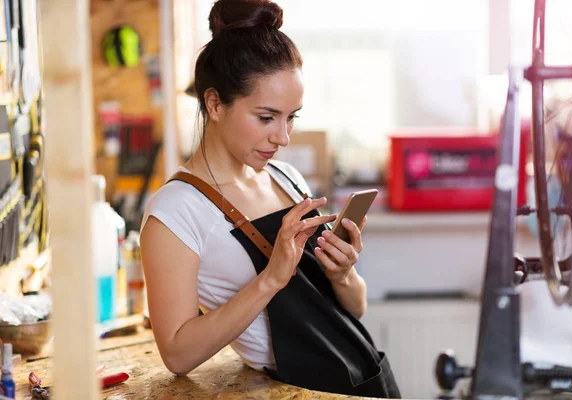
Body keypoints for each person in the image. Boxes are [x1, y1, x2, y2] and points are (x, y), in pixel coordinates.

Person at [139, 0, 401, 397]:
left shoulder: (286, 178)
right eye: (266, 117)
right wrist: (271, 279)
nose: (283, 137)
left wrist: (342, 273)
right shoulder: (176, 211)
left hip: (365, 379)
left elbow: (356, 309)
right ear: (214, 104)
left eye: (291, 116)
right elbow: (176, 354)